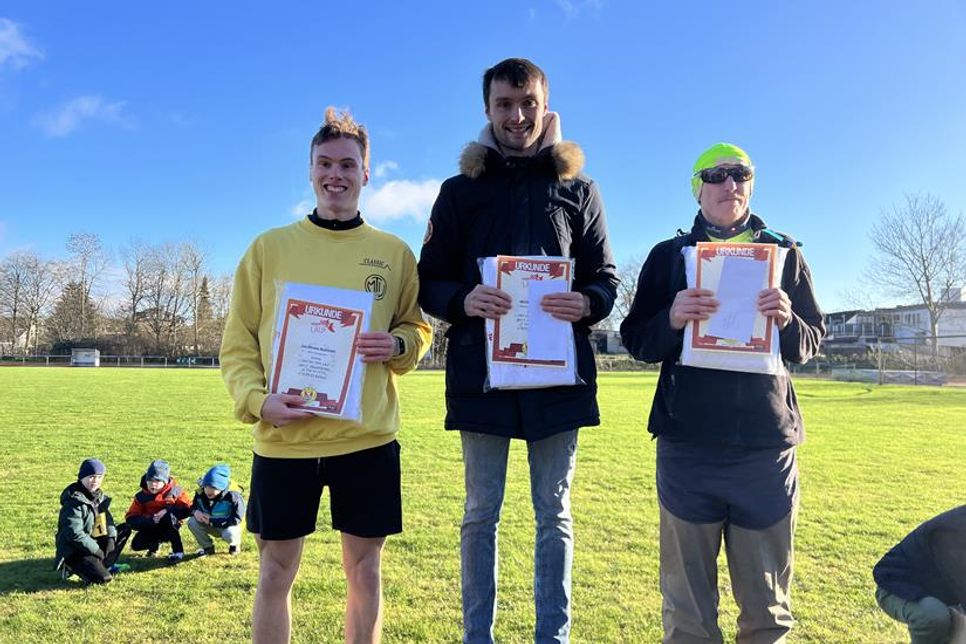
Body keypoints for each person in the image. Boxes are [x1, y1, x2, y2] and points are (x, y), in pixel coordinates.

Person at [418, 57, 618, 644]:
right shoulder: (458, 191)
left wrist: (587, 302)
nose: (517, 115)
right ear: (487, 110)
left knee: (554, 516)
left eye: (528, 103)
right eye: (505, 104)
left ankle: (551, 637)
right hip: (481, 379)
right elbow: (428, 281)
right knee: (481, 514)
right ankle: (476, 636)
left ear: (545, 107)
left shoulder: (579, 189)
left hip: (558, 380)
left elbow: (606, 279)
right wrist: (463, 299)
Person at [220, 107, 431, 644]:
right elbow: (238, 343)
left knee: (365, 572)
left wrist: (398, 343)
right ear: (310, 170)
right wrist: (258, 401)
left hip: (367, 438)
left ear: (366, 173)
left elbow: (417, 329)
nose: (335, 174)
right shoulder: (268, 248)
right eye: (325, 163)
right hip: (285, 439)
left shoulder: (393, 253)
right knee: (274, 572)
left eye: (347, 164)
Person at [619, 143, 825, 643]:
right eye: (716, 175)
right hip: (688, 448)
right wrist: (671, 318)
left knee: (767, 611)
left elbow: (810, 342)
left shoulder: (785, 253)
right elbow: (637, 340)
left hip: (764, 450)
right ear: (698, 189)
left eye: (740, 174)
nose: (729, 185)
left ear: (751, 184)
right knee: (688, 614)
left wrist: (787, 320)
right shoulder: (668, 257)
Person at [873, 505, 966, 644]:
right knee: (932, 615)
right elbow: (961, 585)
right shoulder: (952, 531)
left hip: (942, 589)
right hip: (898, 586)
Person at [55, 457, 130, 584]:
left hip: (94, 539)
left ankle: (106, 564)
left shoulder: (99, 497)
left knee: (124, 529)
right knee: (104, 579)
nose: (95, 481)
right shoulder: (73, 502)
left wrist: (111, 539)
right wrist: (96, 550)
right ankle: (70, 567)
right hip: (75, 550)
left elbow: (108, 520)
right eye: (91, 476)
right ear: (81, 477)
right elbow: (74, 535)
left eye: (99, 477)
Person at [124, 459, 192, 564]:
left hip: (171, 526)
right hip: (151, 525)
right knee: (136, 545)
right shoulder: (141, 496)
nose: (153, 484)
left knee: (169, 518)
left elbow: (189, 509)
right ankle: (154, 546)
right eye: (150, 481)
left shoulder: (176, 491)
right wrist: (150, 520)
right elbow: (131, 518)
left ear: (165, 481)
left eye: (157, 481)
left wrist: (167, 511)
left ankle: (178, 551)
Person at [187, 463, 246, 556]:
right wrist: (195, 512)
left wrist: (212, 521)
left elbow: (236, 519)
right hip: (210, 523)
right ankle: (208, 547)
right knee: (192, 522)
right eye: (206, 486)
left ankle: (234, 545)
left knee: (230, 534)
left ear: (222, 487)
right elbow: (192, 506)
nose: (208, 490)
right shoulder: (201, 492)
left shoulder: (234, 496)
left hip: (228, 526)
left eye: (214, 487)